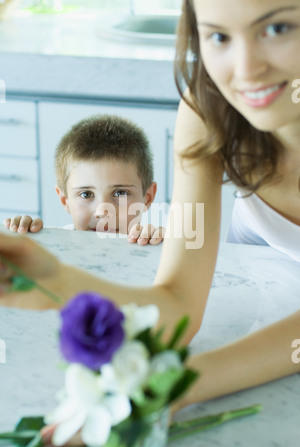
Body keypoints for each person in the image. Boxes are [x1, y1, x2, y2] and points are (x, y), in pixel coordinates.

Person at [0, 0, 300, 417]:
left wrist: (182, 383)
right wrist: (57, 282)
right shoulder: (208, 104)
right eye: (218, 36)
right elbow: (179, 304)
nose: (245, 69)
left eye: (277, 28)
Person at [4, 114, 165, 246]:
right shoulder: (53, 250)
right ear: (64, 200)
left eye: (120, 193)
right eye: (86, 194)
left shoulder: (150, 245)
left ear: (148, 197)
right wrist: (23, 239)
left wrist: (163, 249)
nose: (103, 211)